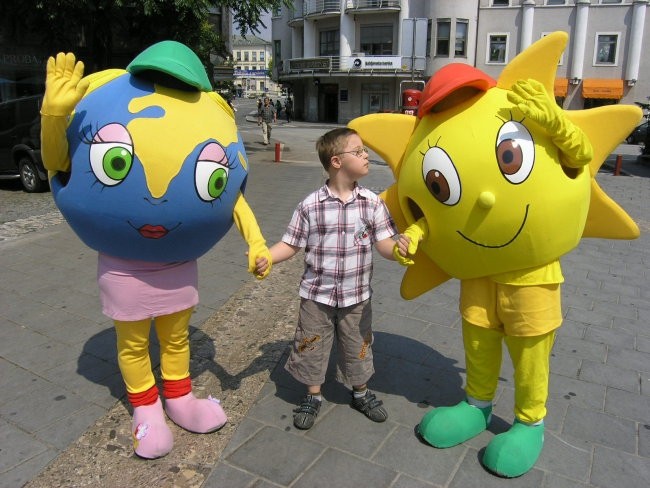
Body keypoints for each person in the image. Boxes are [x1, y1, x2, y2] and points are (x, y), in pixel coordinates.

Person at [255, 127, 412, 430]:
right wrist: (267, 258)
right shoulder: (310, 204)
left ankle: (360, 391)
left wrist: (400, 250)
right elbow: (291, 243)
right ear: (337, 161)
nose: (366, 155)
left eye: (365, 150)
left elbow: (383, 245)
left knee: (359, 344)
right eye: (359, 151)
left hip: (357, 296)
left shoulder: (372, 203)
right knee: (310, 344)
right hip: (317, 295)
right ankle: (313, 395)